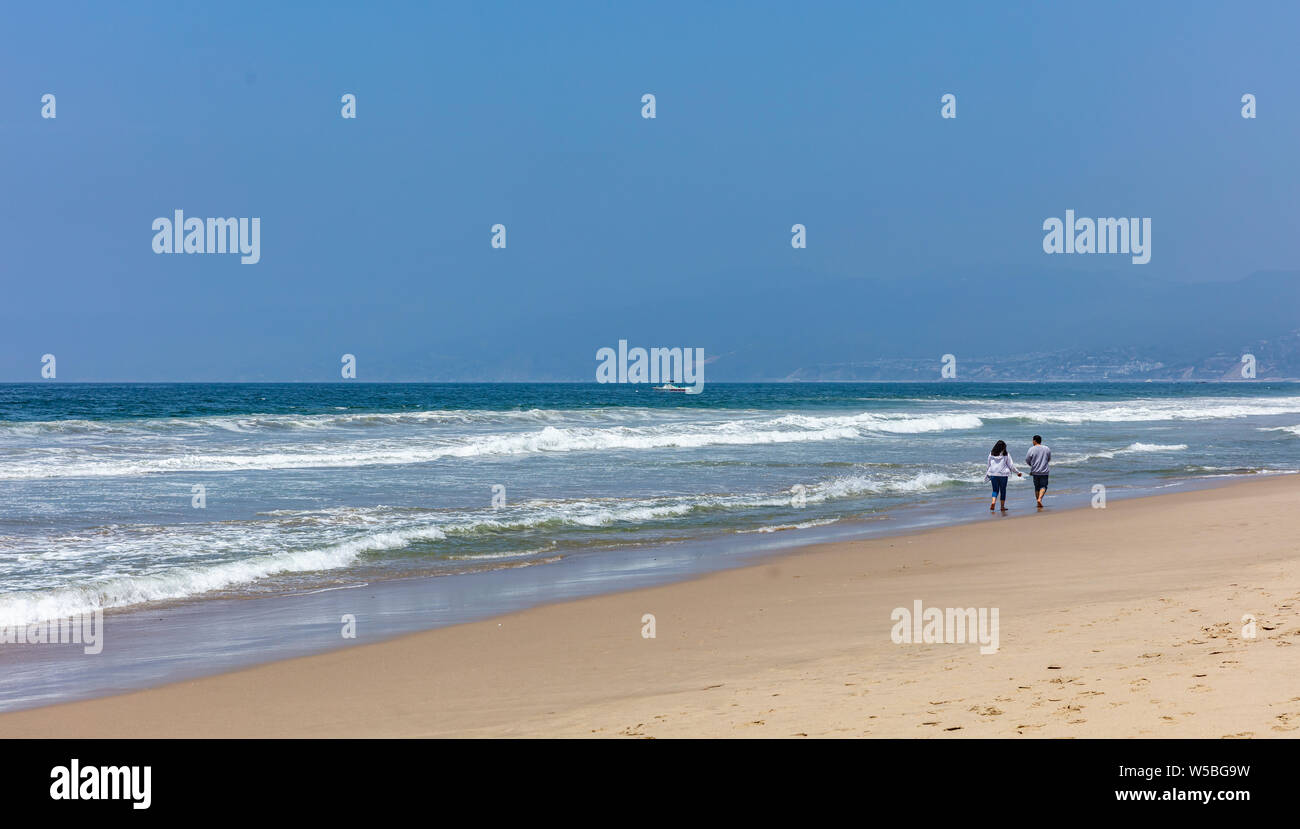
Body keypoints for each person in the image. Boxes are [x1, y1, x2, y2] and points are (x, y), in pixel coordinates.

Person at [984, 439, 1021, 512]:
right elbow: (1011, 466)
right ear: (1003, 447)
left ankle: (993, 502)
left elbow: (988, 464)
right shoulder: (1006, 454)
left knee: (995, 490)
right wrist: (1017, 472)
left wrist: (988, 473)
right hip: (1003, 474)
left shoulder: (991, 453)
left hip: (993, 474)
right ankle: (1002, 507)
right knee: (1003, 490)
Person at [1025, 434, 1051, 509]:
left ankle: (1038, 501)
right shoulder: (1046, 448)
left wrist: (1032, 465)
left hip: (1035, 471)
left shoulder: (1031, 449)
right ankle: (1040, 499)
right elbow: (1048, 458)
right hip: (1044, 471)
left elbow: (1027, 459)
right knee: (1044, 486)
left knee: (1037, 487)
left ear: (1034, 441)